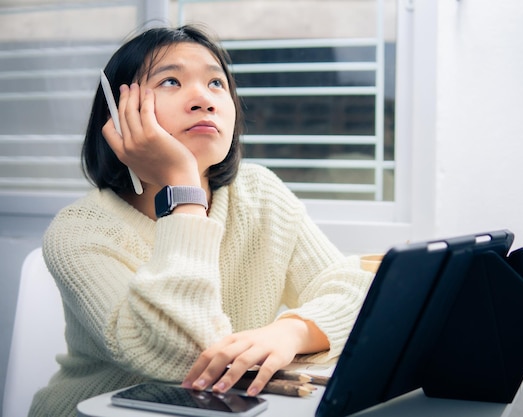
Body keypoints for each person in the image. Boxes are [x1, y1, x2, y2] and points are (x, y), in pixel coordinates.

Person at [29, 25, 373, 417]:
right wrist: (183, 187)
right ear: (118, 115)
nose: (203, 99)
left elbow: (360, 290)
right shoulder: (78, 231)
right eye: (171, 80)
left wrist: (291, 331)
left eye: (216, 83)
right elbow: (183, 359)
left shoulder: (259, 193)